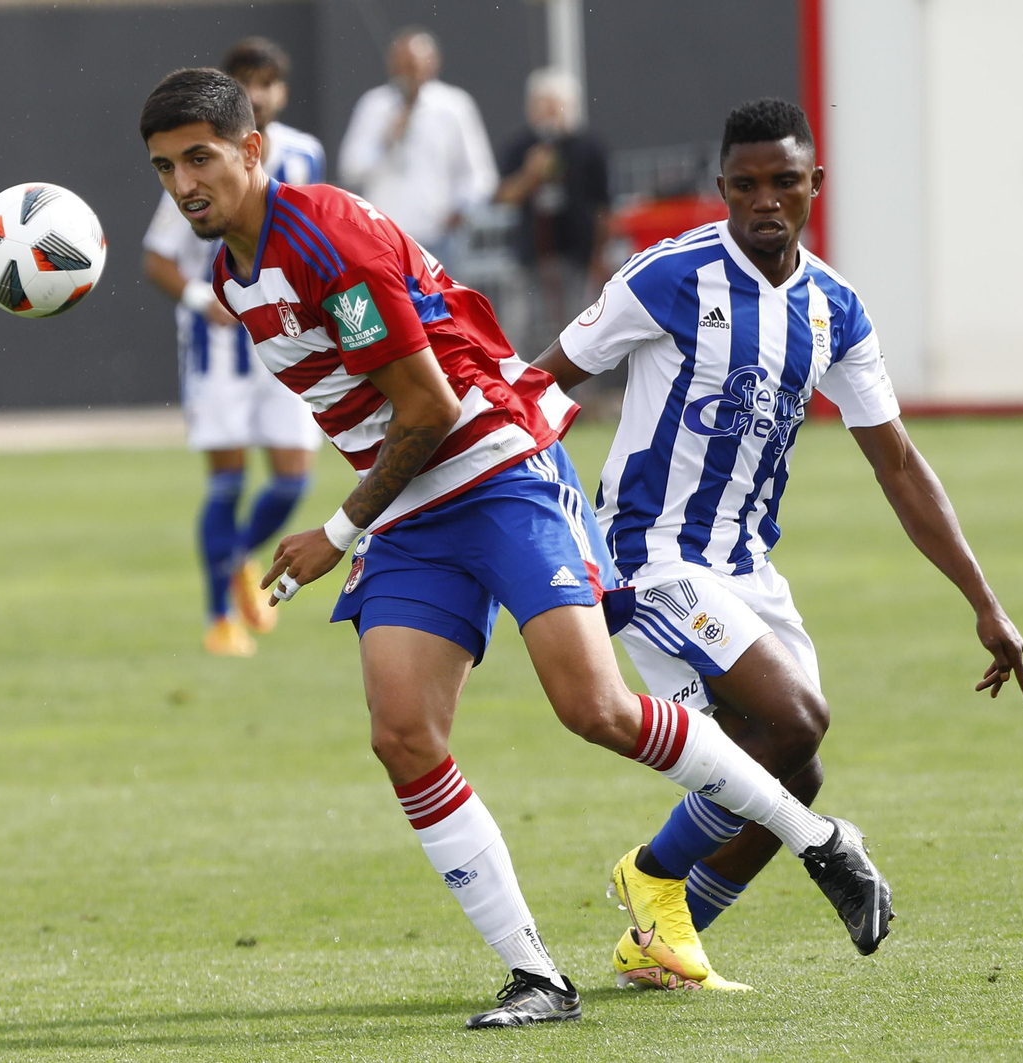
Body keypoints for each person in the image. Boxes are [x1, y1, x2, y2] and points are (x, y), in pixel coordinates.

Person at [140, 69, 893, 1028]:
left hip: (497, 467)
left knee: (597, 709)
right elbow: (373, 417)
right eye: (166, 168)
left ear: (253, 150)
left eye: (201, 157)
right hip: (414, 507)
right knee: (402, 733)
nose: (185, 184)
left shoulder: (326, 234)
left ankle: (818, 838)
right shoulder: (230, 275)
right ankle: (539, 975)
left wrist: (336, 533)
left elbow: (430, 406)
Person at [533, 97, 1023, 990]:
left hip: (745, 567)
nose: (766, 201)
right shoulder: (668, 275)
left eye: (785, 183)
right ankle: (651, 876)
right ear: (722, 189)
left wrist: (984, 600)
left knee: (795, 769)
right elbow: (540, 386)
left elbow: (901, 465)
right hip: (649, 554)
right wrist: (545, 515)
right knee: (794, 718)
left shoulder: (836, 309)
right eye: (746, 185)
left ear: (815, 186)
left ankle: (663, 946)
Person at [141, 38, 325, 657]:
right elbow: (158, 256)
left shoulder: (304, 155)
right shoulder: (198, 162)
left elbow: (312, 236)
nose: (261, 93)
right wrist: (203, 302)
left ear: (282, 91)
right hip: (219, 352)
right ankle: (219, 616)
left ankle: (239, 560)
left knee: (293, 482)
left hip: (288, 343)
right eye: (248, 81)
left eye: (269, 82)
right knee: (226, 483)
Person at [337, 27, 497, 263]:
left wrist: (460, 211)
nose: (408, 74)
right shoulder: (375, 106)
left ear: (432, 65)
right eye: (401, 66)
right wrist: (386, 141)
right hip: (385, 240)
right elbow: (350, 168)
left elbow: (480, 174)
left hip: (440, 240)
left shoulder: (454, 106)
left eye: (414, 66)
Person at [495, 68, 611, 362]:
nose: (546, 113)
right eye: (540, 104)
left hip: (576, 253)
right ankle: (523, 390)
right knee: (523, 326)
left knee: (578, 327)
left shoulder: (588, 146)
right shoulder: (519, 146)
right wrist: (530, 174)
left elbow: (604, 205)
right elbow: (502, 196)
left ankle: (578, 397)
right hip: (530, 254)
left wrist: (600, 255)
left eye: (553, 104)